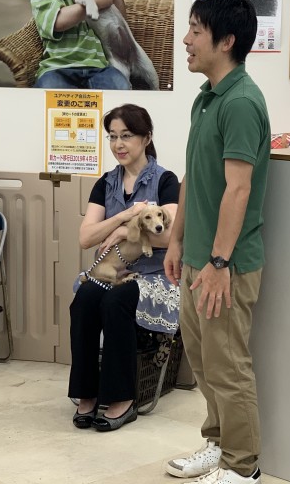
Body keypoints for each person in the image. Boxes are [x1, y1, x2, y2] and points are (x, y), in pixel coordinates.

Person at [164, 0, 270, 484]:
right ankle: (217, 443)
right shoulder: (205, 98)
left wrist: (220, 263)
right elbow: (192, 178)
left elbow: (238, 189)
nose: (185, 40)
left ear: (226, 40)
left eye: (196, 31)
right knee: (203, 360)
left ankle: (242, 466)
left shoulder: (243, 101)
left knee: (228, 367)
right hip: (196, 259)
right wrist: (178, 242)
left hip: (227, 265)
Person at [69, 104, 180, 432]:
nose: (119, 144)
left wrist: (122, 232)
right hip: (115, 270)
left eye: (127, 136)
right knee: (86, 298)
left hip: (158, 275)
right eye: (113, 137)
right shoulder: (105, 184)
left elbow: (171, 236)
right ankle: (87, 393)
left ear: (146, 138)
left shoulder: (166, 180)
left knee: (115, 302)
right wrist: (120, 221)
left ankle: (122, 398)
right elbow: (86, 237)